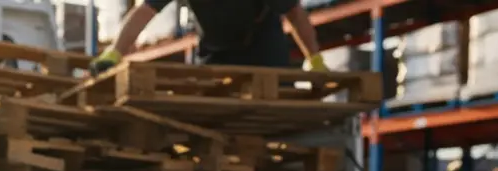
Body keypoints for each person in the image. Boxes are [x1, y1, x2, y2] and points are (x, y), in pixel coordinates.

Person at [92, 0, 326, 74]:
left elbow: (295, 14)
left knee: (276, 112)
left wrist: (314, 59)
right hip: (215, 49)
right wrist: (115, 52)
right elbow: (145, 12)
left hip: (261, 46)